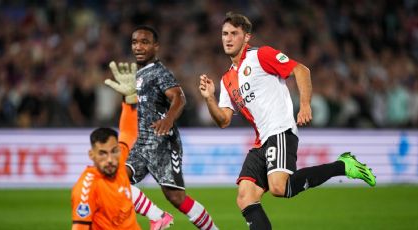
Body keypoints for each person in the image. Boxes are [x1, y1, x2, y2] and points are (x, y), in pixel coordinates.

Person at [198, 12, 376, 230]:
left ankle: (343, 165)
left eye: (234, 33)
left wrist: (305, 105)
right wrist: (209, 99)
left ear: (246, 38)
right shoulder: (226, 80)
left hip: (279, 130)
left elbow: (301, 70)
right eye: (225, 33)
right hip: (260, 140)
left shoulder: (261, 56)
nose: (228, 38)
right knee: (245, 197)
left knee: (278, 188)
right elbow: (223, 120)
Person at [126, 25, 219, 230]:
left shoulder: (159, 72)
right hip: (143, 144)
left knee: (177, 198)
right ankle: (158, 216)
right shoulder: (139, 74)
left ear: (155, 46)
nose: (138, 46)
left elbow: (179, 97)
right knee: (116, 183)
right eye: (135, 42)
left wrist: (168, 119)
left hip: (163, 143)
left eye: (144, 42)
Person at [71, 61, 172, 230]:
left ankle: (158, 216)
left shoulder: (119, 160)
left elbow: (128, 132)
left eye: (113, 151)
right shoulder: (87, 188)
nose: (110, 159)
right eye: (102, 154)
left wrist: (129, 99)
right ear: (92, 156)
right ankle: (158, 216)